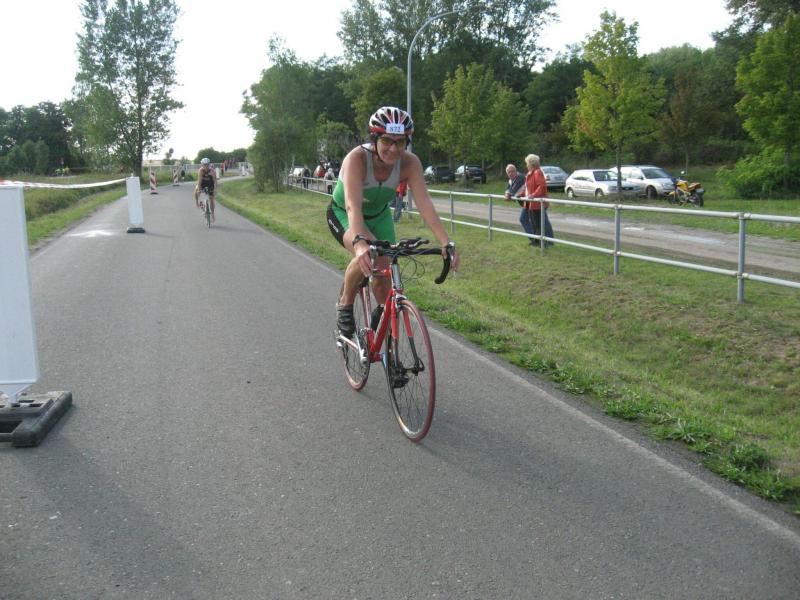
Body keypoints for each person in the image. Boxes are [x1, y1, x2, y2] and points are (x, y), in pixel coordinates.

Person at [326, 106, 460, 338]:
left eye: (400, 142)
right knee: (368, 254)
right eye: (387, 140)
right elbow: (352, 206)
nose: (393, 148)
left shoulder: (410, 163)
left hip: (380, 216)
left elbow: (424, 203)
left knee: (384, 276)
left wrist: (445, 242)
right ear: (374, 139)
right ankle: (345, 305)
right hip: (344, 214)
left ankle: (382, 321)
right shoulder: (357, 159)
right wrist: (360, 244)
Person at [523, 153, 554, 247]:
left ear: (531, 164)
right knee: (535, 223)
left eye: (527, 163)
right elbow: (528, 188)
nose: (526, 165)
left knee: (539, 224)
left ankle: (544, 242)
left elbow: (542, 186)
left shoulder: (537, 172)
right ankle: (538, 241)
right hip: (533, 203)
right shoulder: (531, 173)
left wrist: (533, 195)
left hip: (538, 203)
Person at [503, 163, 535, 246]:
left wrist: (508, 194)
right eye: (509, 172)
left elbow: (513, 192)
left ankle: (536, 240)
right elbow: (508, 189)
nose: (511, 173)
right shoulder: (511, 180)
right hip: (527, 202)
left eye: (512, 171)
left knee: (524, 219)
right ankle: (538, 240)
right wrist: (507, 193)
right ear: (507, 174)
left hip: (530, 202)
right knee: (532, 221)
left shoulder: (520, 178)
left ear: (516, 171)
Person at [194, 157, 217, 222]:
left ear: (209, 164)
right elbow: (199, 181)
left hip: (210, 184)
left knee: (211, 200)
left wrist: (215, 189)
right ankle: (198, 202)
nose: (206, 166)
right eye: (204, 165)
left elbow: (215, 181)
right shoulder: (201, 171)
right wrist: (199, 190)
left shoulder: (212, 171)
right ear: (202, 165)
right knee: (196, 190)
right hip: (203, 184)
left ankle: (212, 214)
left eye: (207, 164)